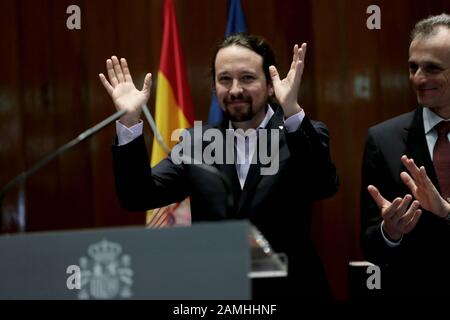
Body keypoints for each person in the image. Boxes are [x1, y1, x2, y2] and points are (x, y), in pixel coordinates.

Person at [100, 33, 339, 299]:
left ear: (271, 85)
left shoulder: (301, 133)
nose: (235, 89)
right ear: (215, 87)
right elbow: (138, 195)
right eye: (225, 79)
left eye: (247, 78)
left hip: (292, 291)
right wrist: (131, 120)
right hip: (220, 294)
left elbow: (323, 184)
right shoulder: (196, 143)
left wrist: (292, 110)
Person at [361, 14, 450, 298]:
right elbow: (369, 242)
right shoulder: (383, 139)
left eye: (432, 68)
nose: (418, 79)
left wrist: (446, 213)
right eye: (413, 67)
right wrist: (391, 231)